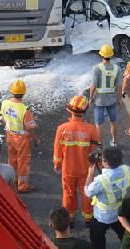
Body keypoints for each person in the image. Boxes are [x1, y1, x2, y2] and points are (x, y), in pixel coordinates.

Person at [54, 95, 99, 227]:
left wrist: (57, 164)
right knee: (87, 194)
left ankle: (70, 220)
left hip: (68, 170)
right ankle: (89, 220)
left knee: (68, 195)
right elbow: (96, 152)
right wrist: (100, 166)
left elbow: (57, 151)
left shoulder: (62, 129)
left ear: (70, 110)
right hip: (86, 170)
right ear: (84, 111)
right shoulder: (91, 129)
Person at [84, 147, 130, 249]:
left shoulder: (100, 180)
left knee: (97, 241)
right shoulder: (127, 170)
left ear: (105, 163)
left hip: (102, 216)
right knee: (125, 237)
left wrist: (90, 175)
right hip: (120, 213)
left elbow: (88, 192)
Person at [0, 80, 39, 193]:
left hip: (10, 136)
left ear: (12, 91)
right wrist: (35, 139)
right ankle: (22, 186)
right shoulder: (24, 110)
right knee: (23, 162)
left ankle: (12, 179)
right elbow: (30, 128)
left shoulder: (5, 104)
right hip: (22, 140)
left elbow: (4, 120)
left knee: (12, 159)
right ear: (24, 93)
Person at [89, 44, 122, 147]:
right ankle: (114, 141)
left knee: (99, 123)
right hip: (112, 99)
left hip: (99, 100)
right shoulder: (117, 69)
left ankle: (99, 144)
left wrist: (90, 98)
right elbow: (119, 86)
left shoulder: (97, 68)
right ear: (111, 56)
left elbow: (93, 86)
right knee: (113, 121)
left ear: (101, 55)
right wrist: (119, 99)